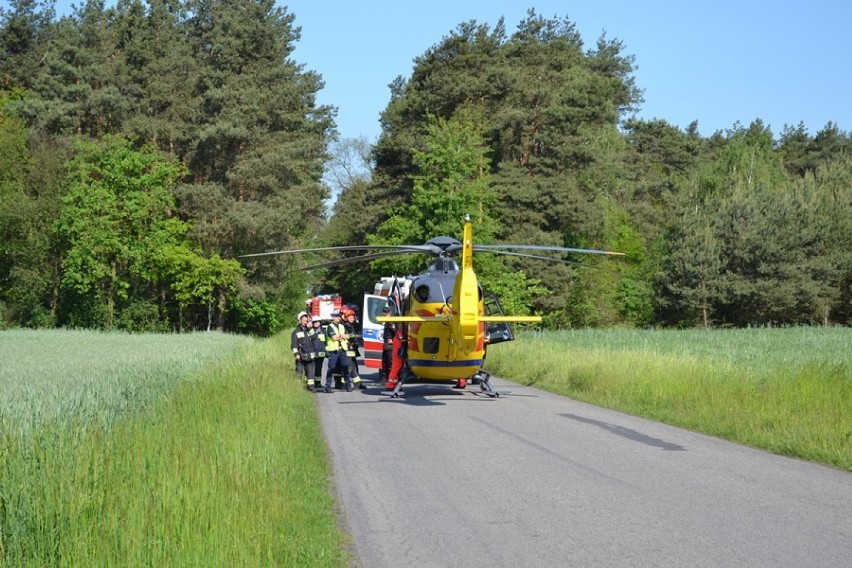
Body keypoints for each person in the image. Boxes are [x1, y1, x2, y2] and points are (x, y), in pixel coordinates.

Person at [323, 310, 352, 392]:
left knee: (345, 368)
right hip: (334, 351)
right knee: (331, 368)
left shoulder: (342, 326)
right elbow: (334, 338)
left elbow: (348, 336)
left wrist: (341, 336)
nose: (338, 318)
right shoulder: (330, 327)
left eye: (339, 316)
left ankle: (348, 385)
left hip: (342, 350)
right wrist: (342, 336)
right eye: (336, 316)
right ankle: (328, 387)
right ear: (333, 317)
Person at [290, 311, 317, 390]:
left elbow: (314, 338)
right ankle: (297, 388)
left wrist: (310, 328)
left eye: (307, 320)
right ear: (300, 320)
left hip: (309, 356)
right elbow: (294, 345)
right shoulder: (296, 332)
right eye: (304, 320)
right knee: (299, 372)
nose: (306, 321)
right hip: (300, 356)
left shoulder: (310, 330)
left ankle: (311, 387)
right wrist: (296, 354)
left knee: (310, 373)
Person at [342, 308, 366, 390]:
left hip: (352, 349)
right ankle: (344, 384)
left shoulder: (351, 325)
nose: (352, 318)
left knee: (354, 366)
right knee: (348, 367)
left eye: (353, 317)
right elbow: (345, 337)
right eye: (350, 317)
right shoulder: (345, 326)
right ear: (346, 318)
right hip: (348, 349)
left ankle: (357, 383)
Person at [309, 315, 326, 390]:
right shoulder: (310, 330)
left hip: (321, 352)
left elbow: (325, 342)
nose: (316, 323)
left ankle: (318, 383)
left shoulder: (323, 331)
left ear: (320, 322)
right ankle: (311, 383)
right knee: (311, 368)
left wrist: (326, 351)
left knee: (319, 368)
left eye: (318, 322)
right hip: (313, 352)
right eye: (315, 322)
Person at [380, 305, 395, 383]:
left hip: (390, 346)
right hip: (386, 344)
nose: (385, 314)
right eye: (384, 313)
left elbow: (396, 332)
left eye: (386, 313)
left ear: (390, 313)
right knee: (384, 363)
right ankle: (384, 380)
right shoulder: (387, 321)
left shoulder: (391, 322)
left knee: (390, 364)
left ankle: (391, 380)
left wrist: (393, 341)